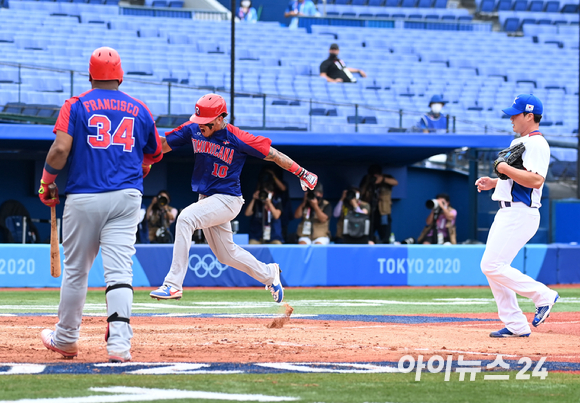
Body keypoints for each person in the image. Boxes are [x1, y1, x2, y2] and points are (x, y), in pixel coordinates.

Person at [38, 47, 163, 362]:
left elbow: (59, 151)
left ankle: (66, 338)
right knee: (119, 272)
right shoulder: (139, 108)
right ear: (120, 75)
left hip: (84, 196)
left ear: (90, 76)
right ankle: (119, 345)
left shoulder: (76, 104)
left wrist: (47, 181)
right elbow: (155, 151)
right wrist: (143, 166)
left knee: (77, 271)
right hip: (126, 198)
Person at [150, 93, 317, 303]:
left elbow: (272, 154)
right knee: (225, 255)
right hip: (208, 199)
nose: (201, 126)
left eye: (206, 122)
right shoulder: (194, 129)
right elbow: (163, 145)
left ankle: (173, 285)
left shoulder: (237, 137)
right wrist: (142, 156)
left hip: (228, 199)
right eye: (199, 120)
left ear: (220, 118)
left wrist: (301, 172)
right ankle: (269, 274)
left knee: (185, 218)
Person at [475, 94, 559, 338]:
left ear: (529, 116)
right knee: (494, 268)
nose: (511, 117)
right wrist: (495, 181)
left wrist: (502, 168)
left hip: (520, 213)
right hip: (509, 211)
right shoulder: (521, 141)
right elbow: (515, 177)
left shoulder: (537, 143)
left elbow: (536, 180)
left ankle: (543, 295)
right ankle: (515, 324)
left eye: (515, 113)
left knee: (491, 265)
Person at [359, 164, 398, 244]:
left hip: (383, 211)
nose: (375, 176)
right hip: (370, 210)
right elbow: (361, 192)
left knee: (385, 234)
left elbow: (395, 182)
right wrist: (368, 182)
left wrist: (382, 179)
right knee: (367, 234)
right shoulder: (367, 179)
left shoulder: (386, 177)